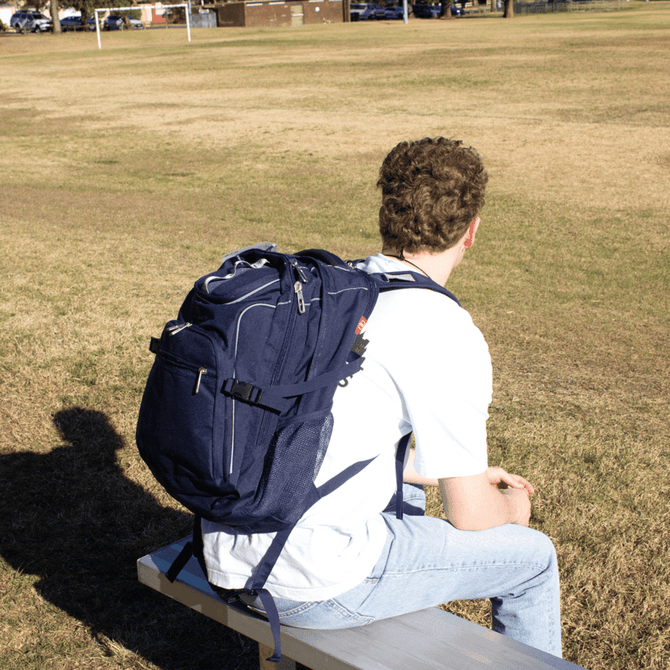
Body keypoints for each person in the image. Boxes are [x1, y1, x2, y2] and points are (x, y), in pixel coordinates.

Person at [201, 137, 562, 657]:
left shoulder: (337, 289)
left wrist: (447, 471)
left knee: (407, 492)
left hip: (225, 552)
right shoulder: (446, 331)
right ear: (472, 230)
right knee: (533, 559)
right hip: (308, 584)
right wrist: (512, 507)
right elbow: (470, 516)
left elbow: (328, 431)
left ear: (386, 215)